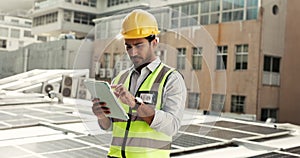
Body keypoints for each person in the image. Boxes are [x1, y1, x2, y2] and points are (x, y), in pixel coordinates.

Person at [92, 9, 187, 158]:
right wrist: (101, 116)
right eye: (128, 46)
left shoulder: (171, 79)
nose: (132, 52)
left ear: (154, 42)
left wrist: (136, 105)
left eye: (139, 45)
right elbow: (110, 127)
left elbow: (172, 127)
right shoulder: (119, 79)